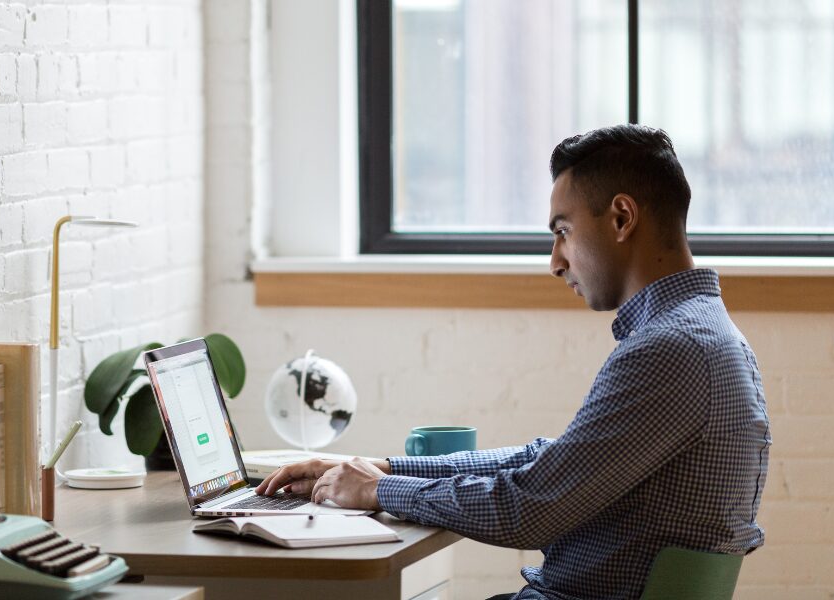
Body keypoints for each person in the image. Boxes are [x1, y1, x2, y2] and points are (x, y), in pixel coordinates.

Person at [255, 124, 772, 600]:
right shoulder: (702, 336)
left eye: (563, 230)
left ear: (621, 218)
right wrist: (384, 467)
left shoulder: (671, 351)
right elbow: (550, 461)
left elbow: (530, 508)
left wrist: (377, 490)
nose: (555, 261)